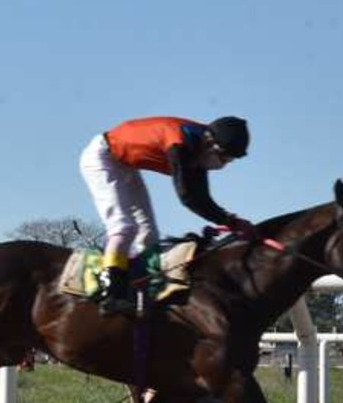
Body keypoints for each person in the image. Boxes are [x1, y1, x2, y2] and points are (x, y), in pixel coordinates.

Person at [79, 115, 255, 315]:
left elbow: (202, 197)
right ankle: (111, 295)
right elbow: (188, 197)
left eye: (229, 160)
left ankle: (137, 289)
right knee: (123, 227)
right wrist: (230, 221)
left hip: (124, 164)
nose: (224, 164)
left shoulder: (199, 145)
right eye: (223, 156)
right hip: (102, 158)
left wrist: (230, 219)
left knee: (148, 234)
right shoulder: (180, 144)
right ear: (209, 142)